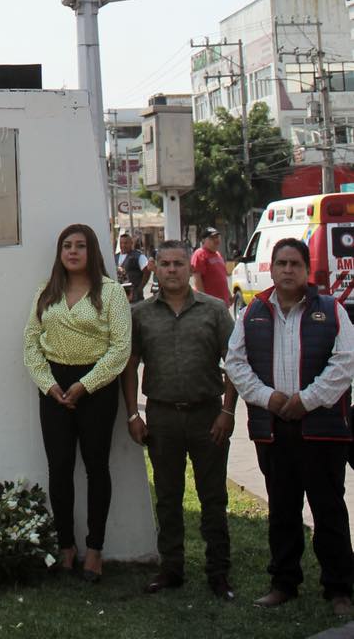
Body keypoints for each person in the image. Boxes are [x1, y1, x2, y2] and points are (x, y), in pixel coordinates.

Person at [225, 236, 354, 619]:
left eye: (294, 264)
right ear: (271, 268)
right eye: (280, 263)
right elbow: (235, 363)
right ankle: (284, 583)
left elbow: (345, 363)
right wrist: (269, 398)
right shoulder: (254, 311)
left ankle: (340, 589)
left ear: (305, 269)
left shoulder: (331, 310)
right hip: (273, 428)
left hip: (322, 429)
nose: (287, 270)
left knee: (328, 509)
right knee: (282, 509)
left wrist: (306, 400)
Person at [121, 240, 237, 600]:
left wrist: (228, 411)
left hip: (207, 415)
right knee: (169, 497)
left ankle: (218, 573)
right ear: (154, 267)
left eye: (179, 264)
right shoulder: (140, 314)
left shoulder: (215, 310)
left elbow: (235, 364)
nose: (172, 270)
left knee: (213, 498)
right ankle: (171, 569)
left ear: (190, 267)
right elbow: (129, 366)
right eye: (166, 264)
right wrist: (132, 413)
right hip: (162, 417)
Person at [24, 223, 131, 582]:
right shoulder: (46, 293)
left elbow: (120, 349)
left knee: (97, 468)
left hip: (96, 389)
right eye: (66, 246)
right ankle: (66, 546)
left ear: (92, 251)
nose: (72, 251)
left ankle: (95, 550)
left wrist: (85, 385)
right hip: (54, 388)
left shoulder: (111, 293)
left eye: (80, 246)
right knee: (59, 469)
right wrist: (49, 385)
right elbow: (31, 344)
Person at [190, 227, 232, 304]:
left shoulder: (218, 254)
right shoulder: (199, 254)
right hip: (210, 304)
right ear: (203, 240)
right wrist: (203, 300)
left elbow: (222, 278)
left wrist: (228, 294)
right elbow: (197, 280)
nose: (216, 240)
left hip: (222, 303)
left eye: (217, 237)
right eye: (212, 238)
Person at [115, 232, 150, 304]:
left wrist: (140, 287)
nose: (123, 245)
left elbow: (147, 271)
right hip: (119, 298)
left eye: (126, 243)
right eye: (121, 243)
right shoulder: (115, 257)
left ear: (131, 243)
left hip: (135, 298)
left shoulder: (138, 256)